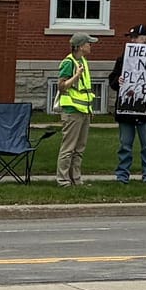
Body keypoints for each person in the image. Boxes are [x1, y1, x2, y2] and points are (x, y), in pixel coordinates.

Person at [107, 24, 146, 184]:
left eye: (135, 37)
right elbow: (113, 80)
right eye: (131, 37)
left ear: (145, 38)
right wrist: (118, 81)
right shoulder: (124, 58)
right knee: (125, 145)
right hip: (127, 110)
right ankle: (122, 175)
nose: (132, 40)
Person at [54, 32, 97, 185]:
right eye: (88, 43)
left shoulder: (83, 61)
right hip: (71, 112)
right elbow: (61, 87)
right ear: (79, 46)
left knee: (79, 149)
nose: (90, 46)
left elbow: (85, 89)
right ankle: (63, 180)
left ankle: (76, 179)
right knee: (68, 148)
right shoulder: (69, 62)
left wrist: (89, 110)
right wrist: (76, 76)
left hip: (84, 111)